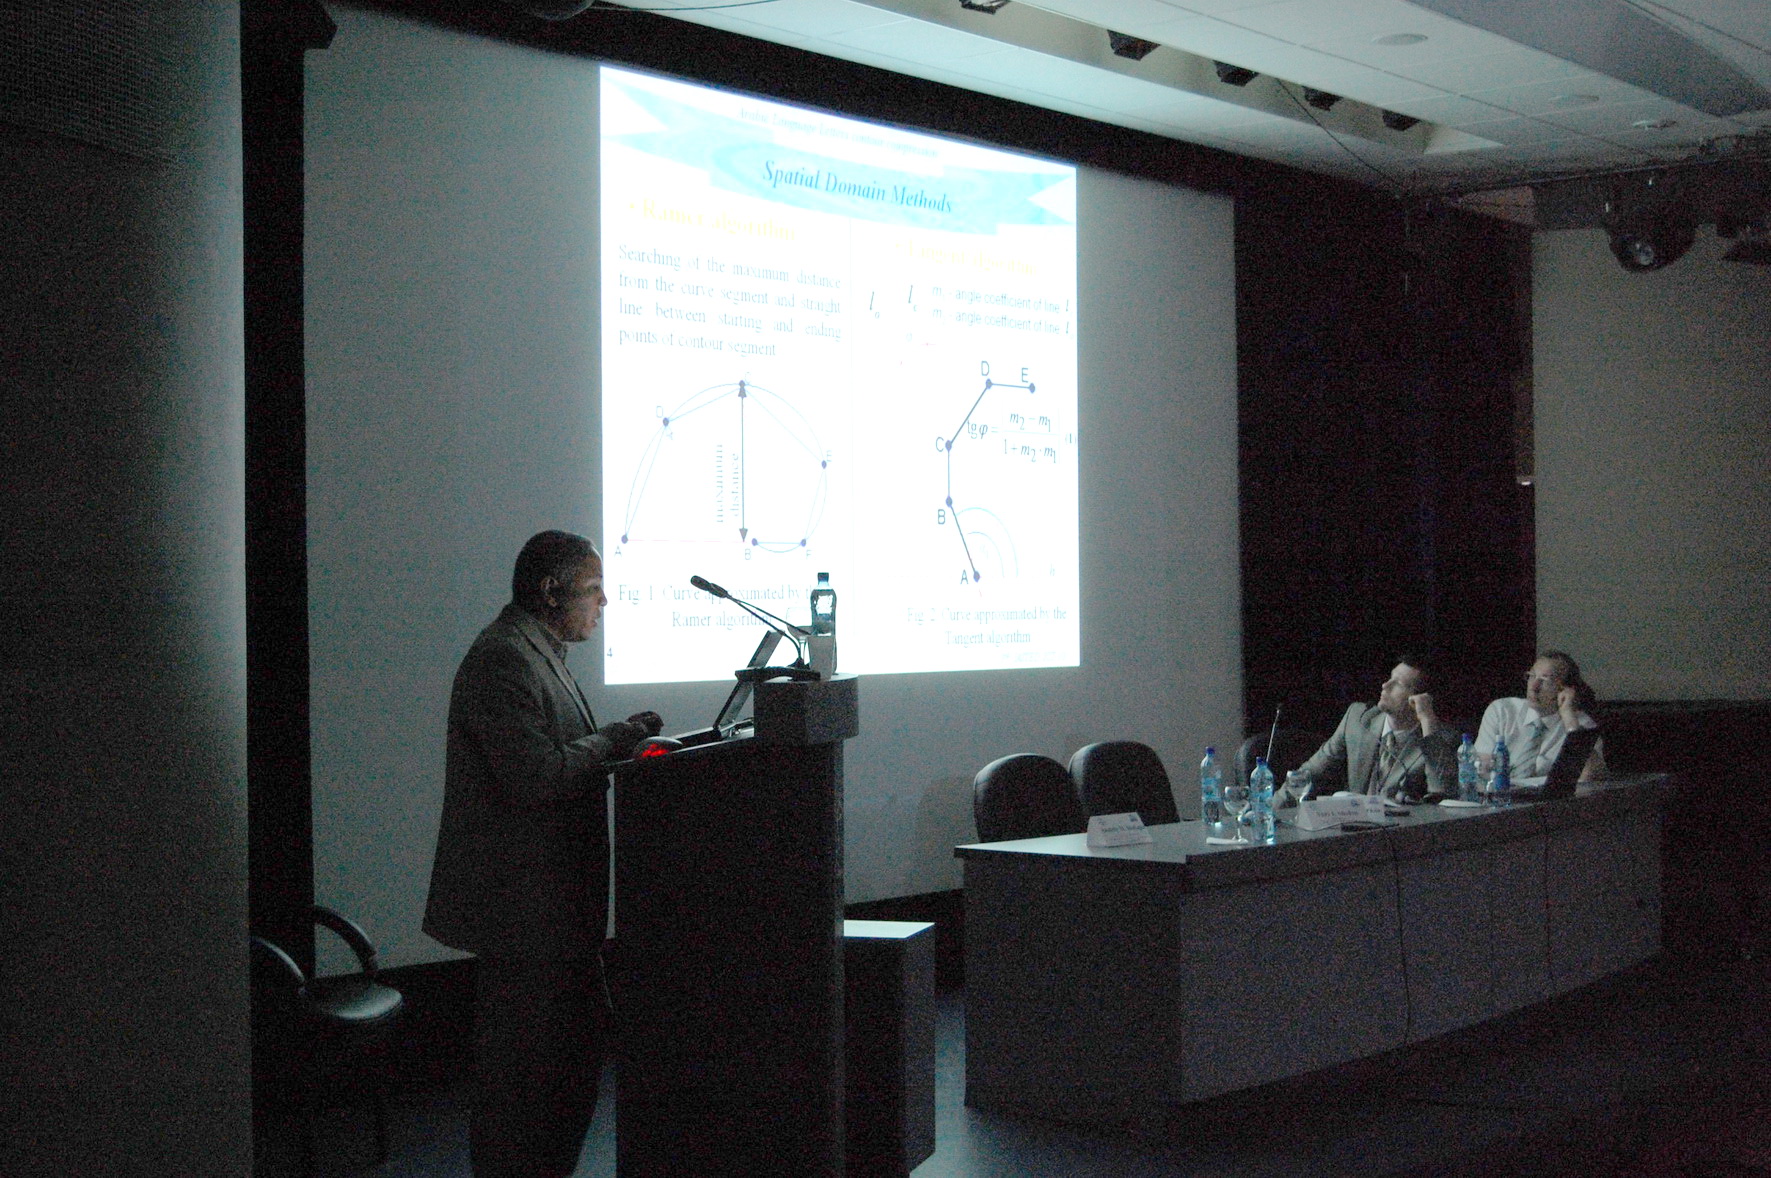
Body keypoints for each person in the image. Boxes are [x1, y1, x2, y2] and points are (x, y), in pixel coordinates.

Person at [424, 530, 662, 1178]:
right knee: (523, 1087)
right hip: (524, 918)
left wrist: (616, 740)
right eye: (593, 589)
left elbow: (558, 755)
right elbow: (534, 776)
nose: (604, 602)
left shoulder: (540, 652)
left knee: (565, 1072)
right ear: (551, 592)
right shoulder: (503, 658)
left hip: (557, 917)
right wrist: (611, 740)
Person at [1287, 657, 1458, 803]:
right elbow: (1310, 773)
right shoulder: (1358, 718)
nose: (1385, 685)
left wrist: (1427, 720)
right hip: (1354, 825)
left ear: (1421, 699)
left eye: (1399, 684)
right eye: (1390, 678)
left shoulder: (1441, 740)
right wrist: (1273, 812)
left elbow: (1443, 796)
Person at [1474, 650, 1605, 786]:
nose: (1534, 687)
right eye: (1532, 676)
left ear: (1565, 690)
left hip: (1548, 797)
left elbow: (1589, 775)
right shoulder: (1502, 711)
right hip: (1501, 792)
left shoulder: (1580, 723)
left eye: (1545, 680)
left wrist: (1569, 718)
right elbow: (1481, 768)